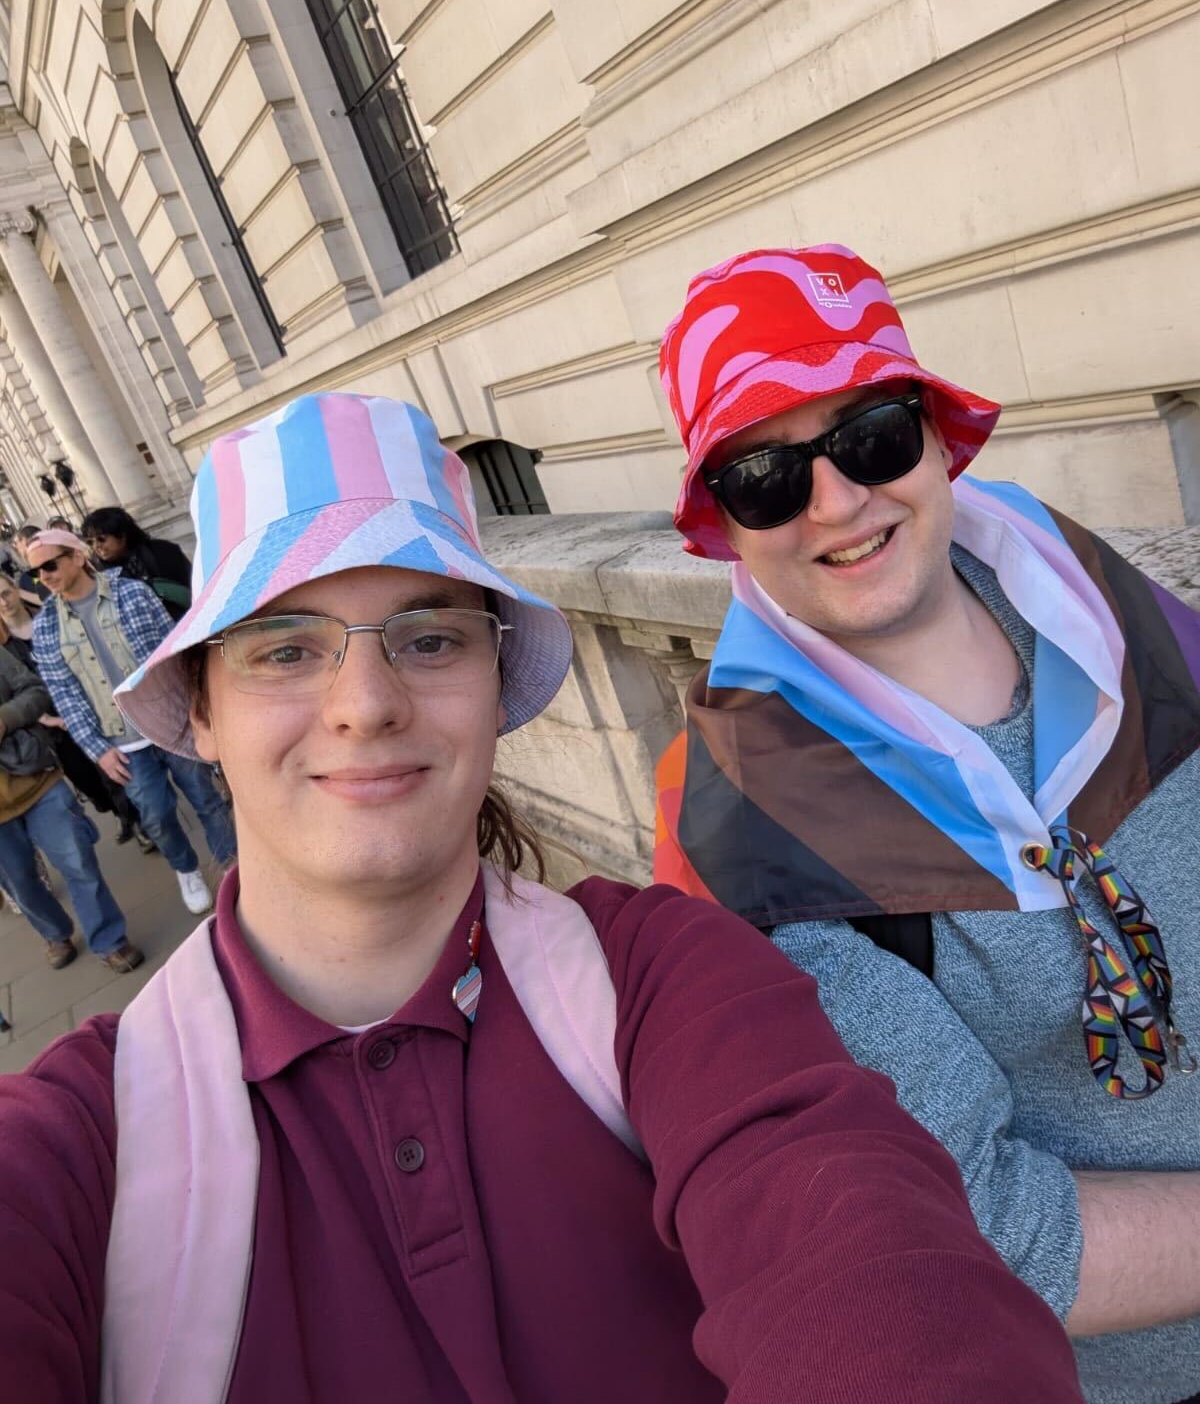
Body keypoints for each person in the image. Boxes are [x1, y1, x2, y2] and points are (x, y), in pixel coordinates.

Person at [0, 393, 1085, 1403]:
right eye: (286, 650)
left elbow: (867, 1260)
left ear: (491, 683)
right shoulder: (76, 1148)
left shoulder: (668, 979)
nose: (366, 704)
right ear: (200, 713)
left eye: (428, 638)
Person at [653, 245, 1200, 1404]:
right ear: (723, 525)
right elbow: (981, 1223)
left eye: (871, 436)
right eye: (765, 475)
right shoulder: (750, 828)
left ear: (938, 436)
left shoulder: (1102, 596)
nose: (839, 500)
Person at [26, 528, 234, 915]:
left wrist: (196, 709)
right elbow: (66, 696)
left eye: (50, 565)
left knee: (207, 798)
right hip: (120, 740)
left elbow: (174, 652)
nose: (44, 577)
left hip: (171, 720)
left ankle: (234, 867)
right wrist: (98, 751)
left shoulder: (131, 594)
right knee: (155, 814)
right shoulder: (47, 629)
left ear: (76, 556)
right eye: (35, 573)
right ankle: (185, 867)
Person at [0, 639, 142, 972]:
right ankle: (54, 933)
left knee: (78, 860)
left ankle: (109, 940)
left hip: (37, 779)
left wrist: (5, 719)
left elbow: (36, 692)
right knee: (20, 882)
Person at [0, 576, 148, 849]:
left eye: (6, 593)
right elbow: (23, 691)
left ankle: (137, 821)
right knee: (88, 782)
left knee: (114, 771)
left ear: (17, 591)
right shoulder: (4, 647)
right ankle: (119, 813)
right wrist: (51, 719)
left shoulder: (49, 621)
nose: (4, 602)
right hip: (51, 729)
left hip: (86, 709)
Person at [81, 506, 192, 620]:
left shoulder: (163, 551)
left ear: (122, 535)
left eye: (101, 539)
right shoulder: (103, 578)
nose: (96, 546)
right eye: (90, 542)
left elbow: (193, 584)